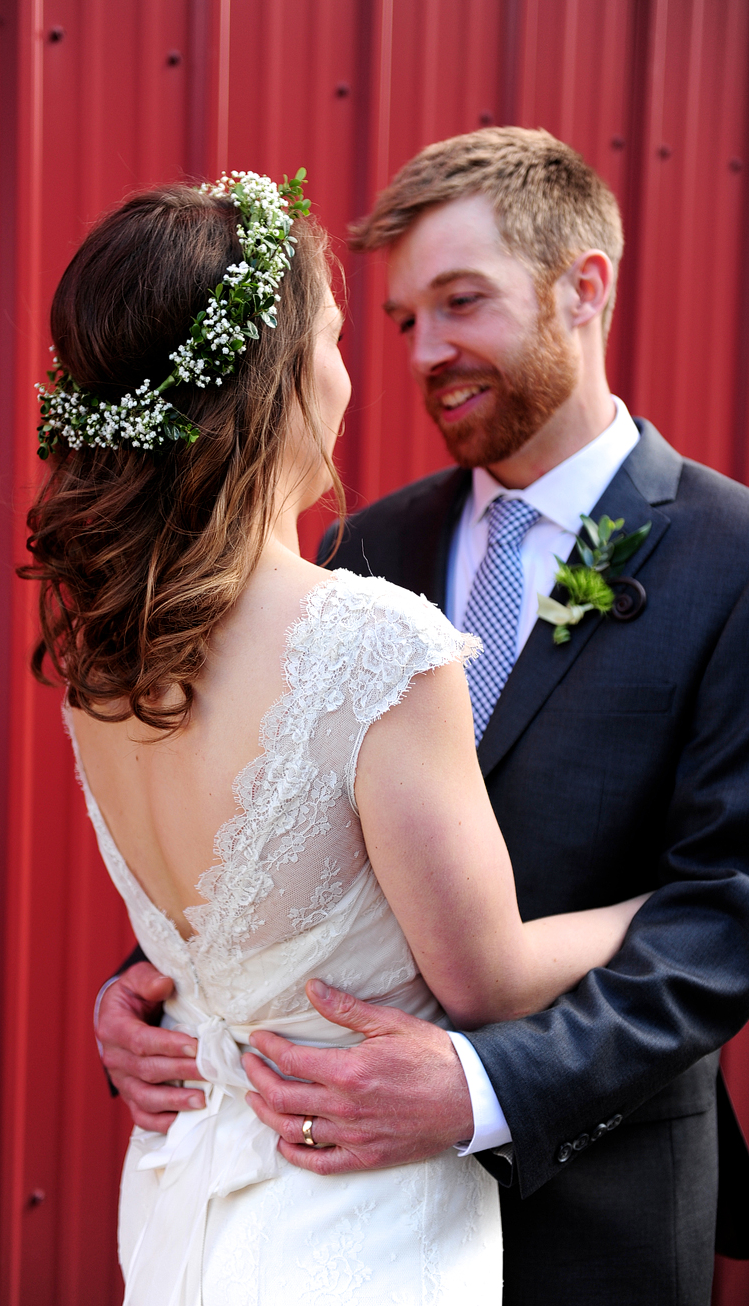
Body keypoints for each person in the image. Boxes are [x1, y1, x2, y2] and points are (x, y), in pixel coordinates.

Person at [98, 132, 749, 1305]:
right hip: (320, 1191)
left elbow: (730, 907)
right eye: (399, 321)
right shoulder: (359, 550)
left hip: (600, 1193)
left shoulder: (734, 556)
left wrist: (484, 1088)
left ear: (583, 286)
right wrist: (150, 990)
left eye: (461, 303)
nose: (427, 353)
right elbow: (268, 835)